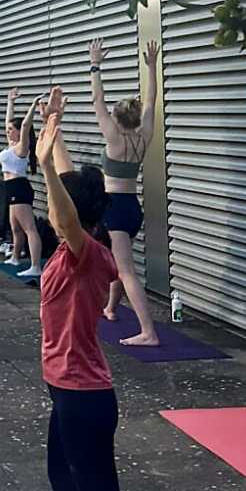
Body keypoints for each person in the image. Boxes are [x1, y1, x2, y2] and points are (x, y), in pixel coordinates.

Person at [25, 90, 149, 491]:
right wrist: (52, 124)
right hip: (69, 390)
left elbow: (64, 213)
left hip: (84, 396)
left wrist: (47, 172)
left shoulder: (86, 254)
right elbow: (72, 197)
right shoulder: (80, 247)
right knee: (61, 471)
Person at [90, 38, 159, 346]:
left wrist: (95, 66)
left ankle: (148, 332)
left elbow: (97, 100)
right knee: (120, 263)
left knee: (127, 270)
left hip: (115, 208)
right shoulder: (143, 136)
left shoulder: (114, 139)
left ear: (118, 120)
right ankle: (110, 308)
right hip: (132, 207)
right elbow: (151, 101)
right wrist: (152, 67)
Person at [1, 88, 43, 277]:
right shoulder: (11, 145)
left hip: (19, 188)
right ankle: (16, 257)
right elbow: (8, 123)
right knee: (15, 228)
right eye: (8, 130)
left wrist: (33, 104)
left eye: (12, 129)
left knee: (29, 228)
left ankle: (35, 266)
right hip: (11, 188)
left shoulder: (22, 147)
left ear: (19, 132)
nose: (8, 132)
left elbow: (26, 125)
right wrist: (10, 101)